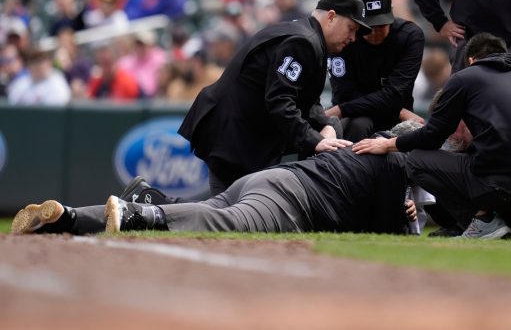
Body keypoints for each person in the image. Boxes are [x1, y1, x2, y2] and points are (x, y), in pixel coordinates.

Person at [11, 123, 421, 237]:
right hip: (292, 200)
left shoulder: (365, 146)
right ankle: (141, 212)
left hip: (271, 178)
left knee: (210, 210)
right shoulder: (393, 163)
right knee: (223, 223)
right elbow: (389, 230)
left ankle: (66, 217)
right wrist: (405, 213)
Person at [353, 33, 511, 239]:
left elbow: (433, 136)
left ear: (471, 60)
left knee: (417, 160)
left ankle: (480, 222)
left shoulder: (466, 77)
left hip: (502, 185)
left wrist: (388, 144)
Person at [178, 0, 371, 195]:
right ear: (331, 16)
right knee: (231, 213)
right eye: (351, 28)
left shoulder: (307, 34)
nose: (352, 38)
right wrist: (315, 139)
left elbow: (306, 99)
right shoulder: (303, 41)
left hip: (239, 131)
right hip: (233, 134)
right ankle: (158, 211)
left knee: (236, 212)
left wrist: (324, 124)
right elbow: (280, 101)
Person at [326, 0, 425, 141]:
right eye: (369, 27)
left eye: (381, 25)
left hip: (395, 117)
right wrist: (399, 111)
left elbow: (394, 94)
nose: (375, 32)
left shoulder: (409, 36)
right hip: (354, 116)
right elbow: (344, 93)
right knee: (359, 125)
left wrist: (340, 109)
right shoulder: (343, 37)